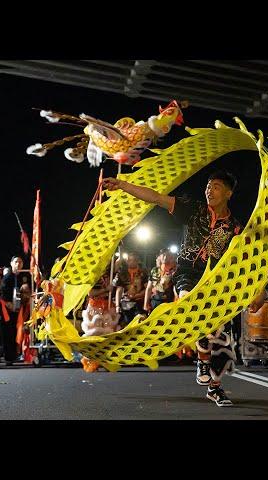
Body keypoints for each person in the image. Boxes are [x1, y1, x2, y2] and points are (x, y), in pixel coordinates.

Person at [103, 170, 241, 407]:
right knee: (193, 307)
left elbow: (243, 257)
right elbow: (156, 198)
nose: (209, 190)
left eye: (216, 186)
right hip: (188, 275)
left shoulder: (235, 227)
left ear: (228, 193)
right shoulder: (194, 209)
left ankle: (215, 388)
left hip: (215, 281)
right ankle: (201, 362)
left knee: (219, 335)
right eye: (208, 186)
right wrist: (123, 185)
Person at [1, 256, 31, 365]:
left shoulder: (26, 276)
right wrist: (9, 304)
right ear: (11, 263)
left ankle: (23, 354)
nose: (18, 264)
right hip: (9, 310)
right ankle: (9, 357)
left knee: (24, 331)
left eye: (20, 262)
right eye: (16, 262)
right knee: (9, 333)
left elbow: (30, 292)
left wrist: (27, 290)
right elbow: (2, 293)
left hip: (22, 309)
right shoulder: (7, 277)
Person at [113, 252, 148, 328]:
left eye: (134, 260)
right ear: (127, 261)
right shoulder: (122, 273)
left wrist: (138, 295)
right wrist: (117, 305)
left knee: (139, 324)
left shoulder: (143, 272)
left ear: (138, 261)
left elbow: (147, 288)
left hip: (139, 303)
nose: (132, 262)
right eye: (130, 260)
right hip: (125, 302)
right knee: (126, 324)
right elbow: (119, 289)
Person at [144, 248, 177, 313]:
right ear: (159, 257)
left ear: (171, 257)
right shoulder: (155, 270)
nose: (165, 257)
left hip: (168, 302)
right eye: (163, 255)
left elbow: (175, 288)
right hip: (155, 301)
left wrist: (175, 304)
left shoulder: (174, 270)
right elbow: (149, 288)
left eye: (168, 255)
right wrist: (146, 304)